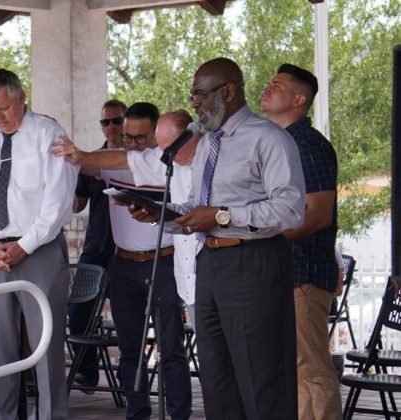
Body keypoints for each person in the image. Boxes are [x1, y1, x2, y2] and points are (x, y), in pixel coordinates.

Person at [162, 57, 305, 419]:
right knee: (216, 381)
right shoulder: (207, 144)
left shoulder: (268, 138)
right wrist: (164, 215)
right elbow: (199, 206)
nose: (194, 104)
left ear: (229, 90)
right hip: (209, 264)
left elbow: (290, 210)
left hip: (253, 263)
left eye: (201, 95)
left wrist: (224, 215)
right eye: (192, 95)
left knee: (262, 382)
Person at [0, 68, 78, 420]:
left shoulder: (48, 134)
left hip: (40, 251)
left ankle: (52, 416)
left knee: (46, 343)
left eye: (5, 108)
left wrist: (27, 243)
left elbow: (58, 199)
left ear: (22, 97)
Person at [54, 104, 193, 420]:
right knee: (130, 350)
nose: (132, 146)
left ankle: (179, 414)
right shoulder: (112, 161)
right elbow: (79, 166)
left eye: (141, 139)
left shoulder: (170, 166)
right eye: (127, 138)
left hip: (165, 263)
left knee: (171, 347)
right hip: (124, 264)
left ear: (157, 136)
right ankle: (137, 413)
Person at [260, 63, 341, 420]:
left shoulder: (309, 145)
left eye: (276, 85)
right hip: (278, 273)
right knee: (287, 370)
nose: (267, 88)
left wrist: (263, 235)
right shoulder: (277, 143)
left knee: (310, 369)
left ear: (298, 99)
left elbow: (319, 213)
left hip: (303, 274)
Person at [68, 99, 126, 391]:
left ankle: (130, 380)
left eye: (117, 121)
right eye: (106, 122)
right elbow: (77, 203)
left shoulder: (137, 158)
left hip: (129, 252)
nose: (112, 127)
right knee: (77, 312)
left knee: (130, 317)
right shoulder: (92, 160)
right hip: (96, 248)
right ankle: (86, 372)